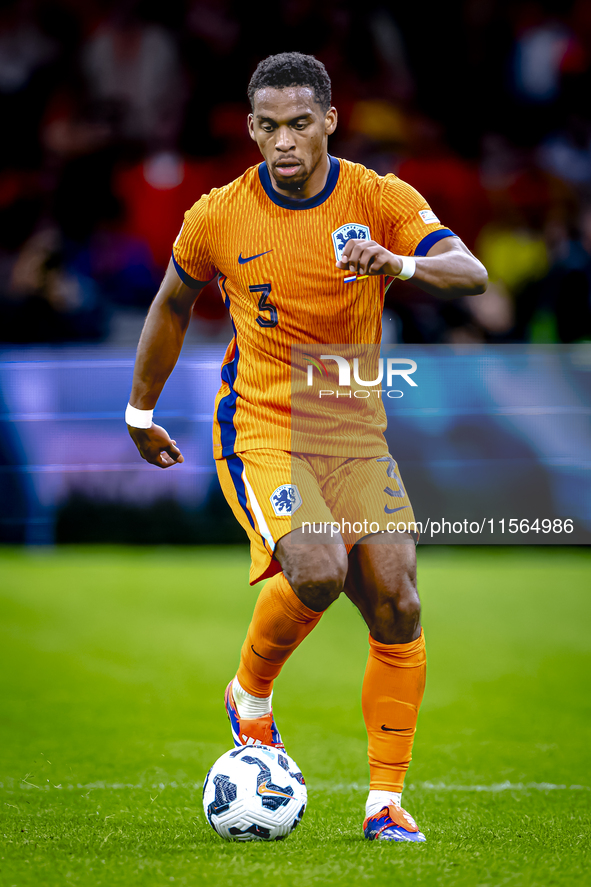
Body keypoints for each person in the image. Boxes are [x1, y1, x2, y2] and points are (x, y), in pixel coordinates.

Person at [126, 52, 487, 842]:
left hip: (356, 434)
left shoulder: (379, 198)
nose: (283, 140)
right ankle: (249, 696)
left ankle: (384, 802)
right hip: (262, 422)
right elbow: (171, 302)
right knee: (318, 569)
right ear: (251, 129)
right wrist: (139, 408)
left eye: (298, 123)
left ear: (328, 120)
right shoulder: (217, 214)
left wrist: (401, 262)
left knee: (397, 601)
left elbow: (472, 273)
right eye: (268, 126)